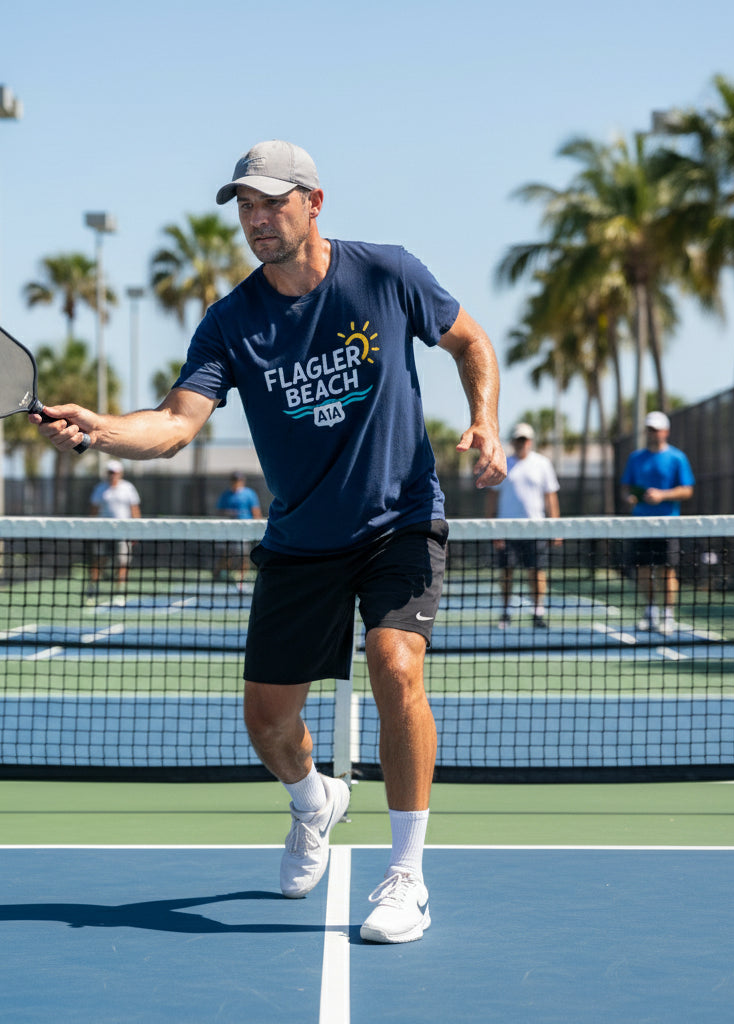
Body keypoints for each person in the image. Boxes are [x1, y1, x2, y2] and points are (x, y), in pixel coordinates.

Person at [32, 139, 506, 943]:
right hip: (301, 540)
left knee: (397, 667)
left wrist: (485, 420)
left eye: (270, 203)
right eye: (244, 207)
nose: (255, 219)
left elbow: (471, 341)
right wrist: (106, 429)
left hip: (400, 519)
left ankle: (407, 877)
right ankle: (313, 800)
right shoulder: (232, 321)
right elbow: (178, 423)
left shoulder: (387, 274)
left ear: (313, 203)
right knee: (268, 724)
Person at [620, 411, 695, 634]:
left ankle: (667, 615)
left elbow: (687, 490)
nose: (652, 433)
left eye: (656, 429)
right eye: (649, 429)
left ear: (666, 431)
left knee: (667, 571)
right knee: (643, 571)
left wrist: (662, 496)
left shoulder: (677, 458)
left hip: (667, 524)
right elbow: (626, 488)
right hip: (641, 524)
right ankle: (650, 611)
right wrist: (630, 497)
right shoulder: (635, 458)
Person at [484, 422, 560, 628]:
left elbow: (551, 497)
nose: (522, 443)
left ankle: (538, 613)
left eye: (525, 439)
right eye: (518, 439)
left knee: (537, 571)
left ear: (531, 442)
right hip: (506, 530)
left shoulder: (543, 464)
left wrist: (556, 528)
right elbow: (492, 498)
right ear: (513, 441)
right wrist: (493, 528)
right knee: (506, 571)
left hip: (536, 530)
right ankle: (506, 613)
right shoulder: (502, 464)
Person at [88, 460, 141, 598]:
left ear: (120, 473)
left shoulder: (128, 488)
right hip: (102, 530)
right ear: (107, 473)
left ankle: (120, 590)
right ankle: (92, 588)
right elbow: (93, 510)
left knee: (122, 560)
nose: (113, 475)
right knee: (99, 558)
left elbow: (134, 510)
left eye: (115, 472)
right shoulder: (100, 488)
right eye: (111, 472)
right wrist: (91, 529)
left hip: (123, 530)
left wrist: (136, 530)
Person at [215, 471, 262, 589]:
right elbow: (220, 511)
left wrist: (258, 526)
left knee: (244, 555)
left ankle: (242, 580)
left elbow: (256, 511)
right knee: (226, 555)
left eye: (239, 480)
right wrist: (230, 513)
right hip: (229, 530)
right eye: (234, 480)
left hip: (244, 530)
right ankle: (219, 576)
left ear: (242, 481)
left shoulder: (250, 494)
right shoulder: (226, 495)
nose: (237, 482)